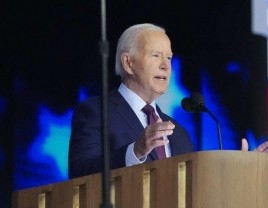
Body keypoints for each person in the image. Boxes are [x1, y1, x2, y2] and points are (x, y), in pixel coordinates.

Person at [68, 23, 194, 178]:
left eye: (169, 58)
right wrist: (135, 152)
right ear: (128, 63)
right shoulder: (96, 112)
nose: (165, 66)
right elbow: (81, 173)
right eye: (156, 55)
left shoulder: (179, 133)